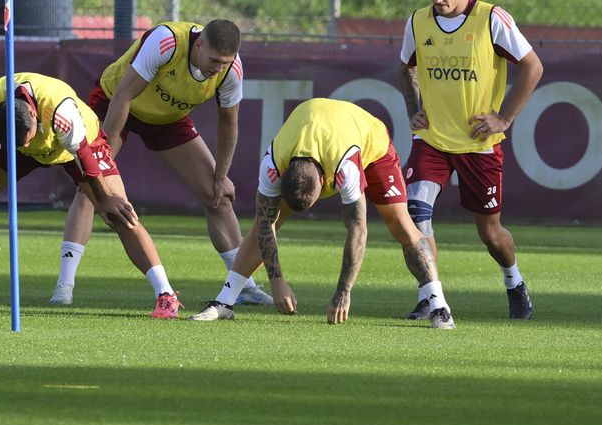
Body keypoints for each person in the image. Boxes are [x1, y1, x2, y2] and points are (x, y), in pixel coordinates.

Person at [0, 72, 183, 318]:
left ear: (33, 116)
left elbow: (85, 159)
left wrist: (104, 200)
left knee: (120, 213)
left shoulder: (62, 111)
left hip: (80, 146)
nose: (24, 145)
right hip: (19, 142)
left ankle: (166, 295)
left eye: (27, 138)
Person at [48, 19, 272, 307]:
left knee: (219, 196)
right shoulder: (166, 41)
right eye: (214, 60)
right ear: (200, 43)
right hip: (116, 103)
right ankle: (64, 287)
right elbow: (124, 95)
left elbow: (229, 122)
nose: (218, 67)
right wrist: (101, 158)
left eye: (224, 62)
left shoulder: (231, 69)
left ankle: (243, 285)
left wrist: (220, 174)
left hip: (168, 118)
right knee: (91, 189)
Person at [190, 98, 456, 329]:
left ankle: (439, 306)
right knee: (267, 219)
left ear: (326, 182)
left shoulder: (346, 166)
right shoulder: (272, 162)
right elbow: (264, 225)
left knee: (401, 224)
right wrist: (277, 281)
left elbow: (358, 230)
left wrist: (343, 291)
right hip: (316, 127)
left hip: (370, 140)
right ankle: (225, 301)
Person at [397, 0, 543, 320]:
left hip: (478, 143)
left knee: (490, 235)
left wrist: (504, 119)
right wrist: (414, 109)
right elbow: (405, 68)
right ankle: (431, 295)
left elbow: (532, 67)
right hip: (432, 139)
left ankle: (514, 280)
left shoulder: (491, 19)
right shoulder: (417, 22)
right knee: (416, 214)